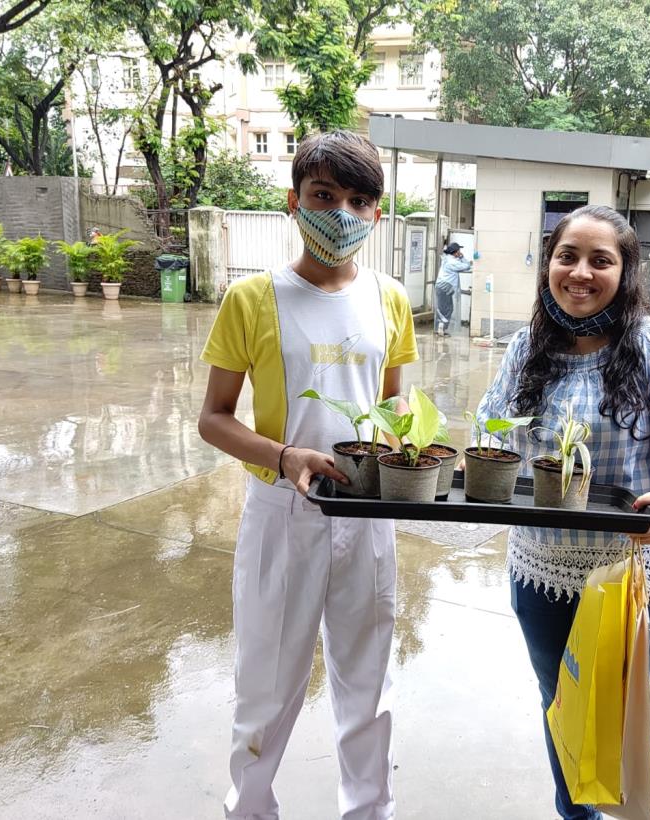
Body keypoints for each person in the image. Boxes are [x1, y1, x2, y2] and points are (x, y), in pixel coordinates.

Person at [475, 205, 650, 820]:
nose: (581, 273)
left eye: (601, 260)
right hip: (542, 569)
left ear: (626, 271)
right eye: (568, 256)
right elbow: (492, 432)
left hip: (632, 576)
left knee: (616, 721)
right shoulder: (527, 344)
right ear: (549, 265)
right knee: (560, 705)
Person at [198, 130, 418, 820]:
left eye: (359, 200)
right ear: (294, 201)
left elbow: (395, 400)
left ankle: (367, 811)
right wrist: (284, 456)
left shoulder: (390, 297)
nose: (342, 214)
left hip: (367, 514)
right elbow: (213, 418)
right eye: (325, 196)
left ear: (377, 214)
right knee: (265, 687)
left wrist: (400, 440)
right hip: (281, 519)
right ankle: (251, 811)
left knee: (368, 686)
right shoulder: (253, 298)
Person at [434, 242, 471, 336]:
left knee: (444, 308)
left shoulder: (448, 259)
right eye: (459, 250)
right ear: (455, 252)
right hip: (445, 286)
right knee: (446, 309)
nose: (460, 252)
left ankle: (440, 328)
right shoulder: (453, 262)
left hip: (442, 286)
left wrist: (460, 258)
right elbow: (467, 266)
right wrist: (462, 257)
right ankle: (441, 329)